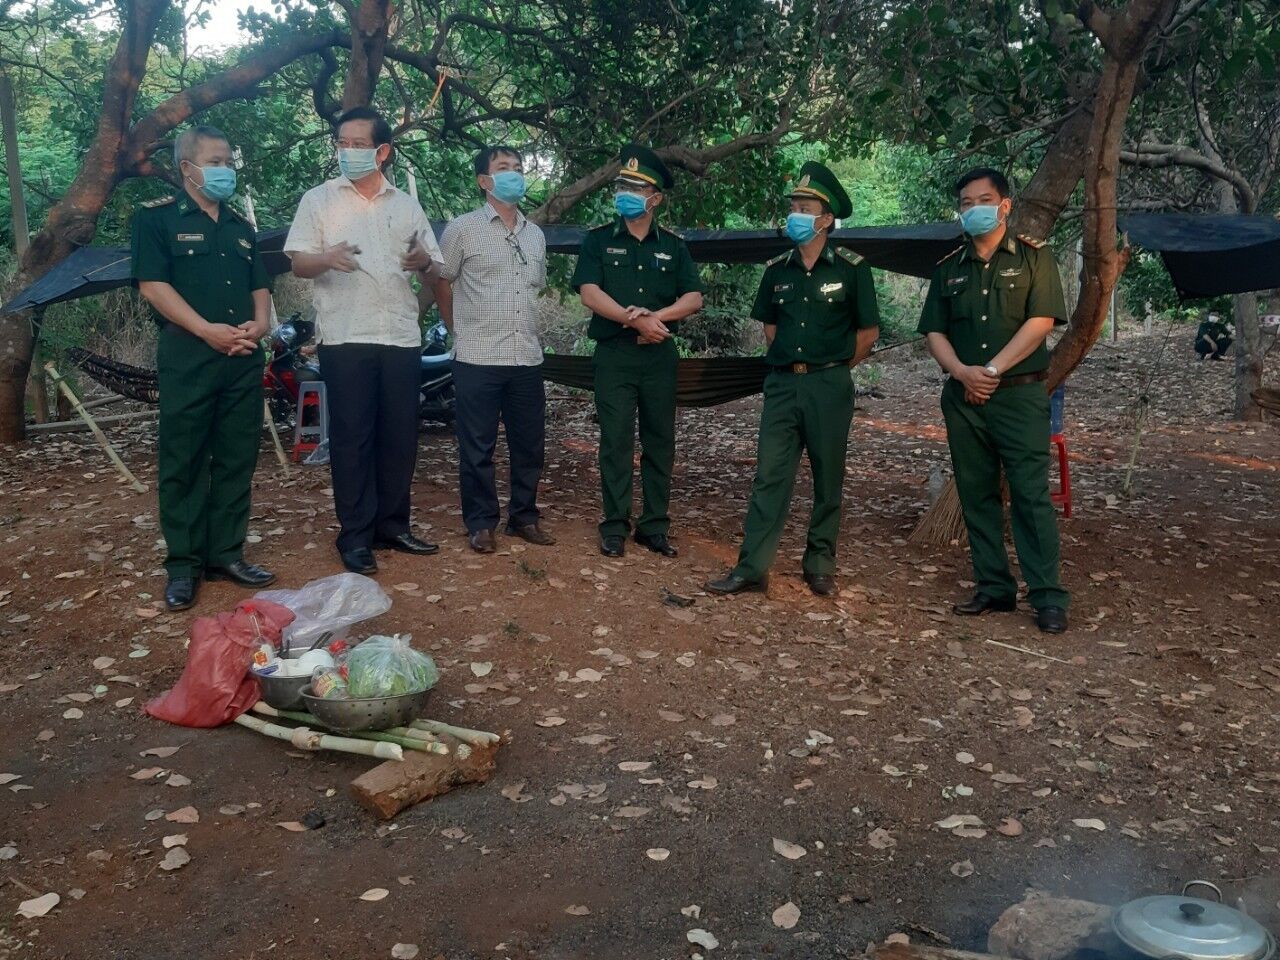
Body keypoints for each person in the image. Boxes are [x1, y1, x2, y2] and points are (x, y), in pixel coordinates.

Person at [285, 106, 448, 575]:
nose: (348, 151)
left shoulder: (406, 205)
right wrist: (326, 257)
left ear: (382, 151)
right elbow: (297, 262)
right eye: (342, 143)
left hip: (400, 335)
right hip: (346, 334)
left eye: (358, 144)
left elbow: (436, 270)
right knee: (353, 438)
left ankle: (393, 526)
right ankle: (355, 536)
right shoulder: (318, 199)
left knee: (400, 437)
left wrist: (424, 262)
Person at [706, 162, 880, 598]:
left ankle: (819, 564)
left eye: (805, 209)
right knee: (769, 476)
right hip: (783, 385)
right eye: (793, 208)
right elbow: (770, 328)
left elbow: (868, 333)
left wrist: (834, 368)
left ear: (826, 219)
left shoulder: (851, 269)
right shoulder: (777, 270)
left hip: (829, 386)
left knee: (828, 478)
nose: (794, 216)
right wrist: (795, 365)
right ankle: (752, 568)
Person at [917, 167, 1070, 634]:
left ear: (1004, 205)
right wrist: (962, 372)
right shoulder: (948, 268)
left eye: (982, 200)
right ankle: (993, 586)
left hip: (1019, 395)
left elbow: (1041, 322)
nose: (973, 209)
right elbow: (934, 332)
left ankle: (1047, 596)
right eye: (965, 203)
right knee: (976, 493)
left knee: (1030, 495)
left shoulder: (1034, 258)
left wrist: (991, 371)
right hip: (963, 397)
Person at [131, 125, 276, 612]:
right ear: (187, 167)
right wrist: (206, 330)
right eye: (215, 162)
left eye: (229, 162)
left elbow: (260, 286)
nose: (225, 170)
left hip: (242, 357)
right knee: (185, 459)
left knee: (237, 457)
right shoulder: (156, 219)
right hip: (189, 355)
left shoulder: (240, 226)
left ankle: (226, 554)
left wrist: (260, 324)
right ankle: (184, 565)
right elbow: (153, 286)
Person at [571, 144, 704, 558]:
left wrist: (655, 319)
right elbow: (589, 293)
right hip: (615, 355)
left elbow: (693, 297)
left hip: (659, 356)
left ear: (655, 198)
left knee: (660, 440)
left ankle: (654, 526)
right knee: (615, 441)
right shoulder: (597, 240)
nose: (625, 193)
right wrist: (634, 321)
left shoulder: (674, 246)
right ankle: (614, 525)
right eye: (622, 186)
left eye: (636, 187)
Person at [437, 145, 555, 554]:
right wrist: (455, 327)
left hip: (526, 357)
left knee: (530, 445)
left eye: (518, 167)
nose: (514, 174)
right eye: (503, 167)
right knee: (477, 447)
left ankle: (523, 517)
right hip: (478, 357)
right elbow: (441, 279)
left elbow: (535, 288)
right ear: (484, 181)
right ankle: (481, 522)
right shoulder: (462, 229)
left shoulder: (535, 234)